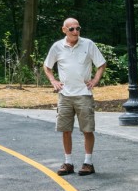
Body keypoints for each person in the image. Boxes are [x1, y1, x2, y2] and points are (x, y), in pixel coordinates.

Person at [43, 18, 106, 176]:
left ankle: (88, 163)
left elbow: (101, 64)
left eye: (78, 28)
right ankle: (68, 162)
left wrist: (95, 80)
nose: (75, 31)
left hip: (83, 94)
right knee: (65, 130)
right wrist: (53, 81)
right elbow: (47, 66)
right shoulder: (57, 47)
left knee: (87, 130)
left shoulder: (88, 44)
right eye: (71, 29)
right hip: (65, 95)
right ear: (64, 30)